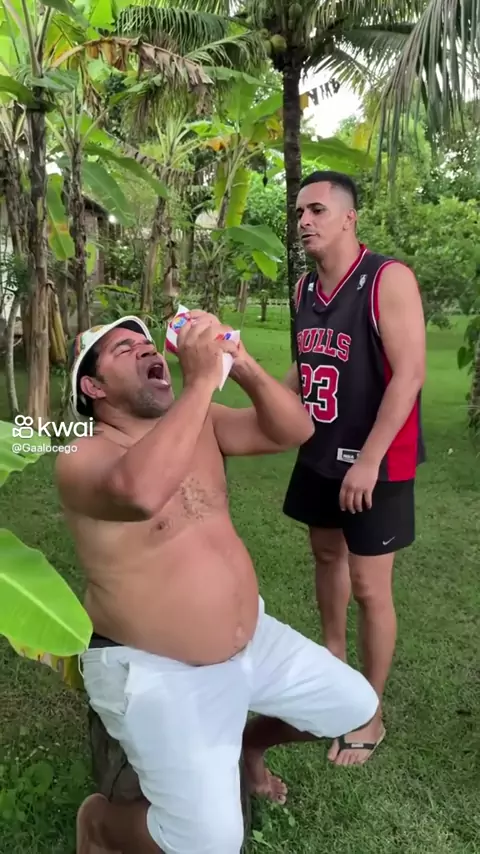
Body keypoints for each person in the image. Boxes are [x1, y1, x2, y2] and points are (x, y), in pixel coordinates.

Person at [56, 311, 379, 854]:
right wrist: (202, 381)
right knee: (209, 842)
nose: (145, 349)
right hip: (156, 667)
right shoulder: (79, 455)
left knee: (355, 707)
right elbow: (140, 492)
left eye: (145, 343)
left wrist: (241, 361)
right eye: (123, 350)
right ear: (94, 388)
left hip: (253, 639)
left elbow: (294, 430)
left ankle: (249, 746)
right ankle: (100, 825)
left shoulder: (200, 421)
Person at [283, 170, 426, 767]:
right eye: (299, 212)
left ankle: (370, 708)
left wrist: (368, 461)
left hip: (376, 462)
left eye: (316, 210)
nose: (304, 221)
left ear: (349, 217)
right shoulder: (303, 290)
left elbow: (410, 375)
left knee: (369, 585)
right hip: (320, 452)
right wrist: (253, 396)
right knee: (325, 556)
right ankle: (333, 668)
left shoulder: (387, 279)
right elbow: (303, 371)